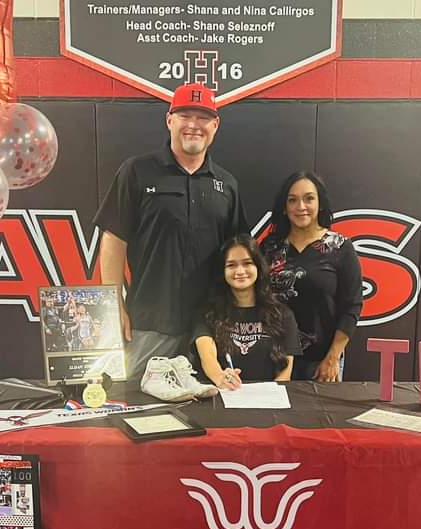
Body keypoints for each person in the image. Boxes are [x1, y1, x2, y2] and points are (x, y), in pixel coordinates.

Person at [94, 82, 249, 380]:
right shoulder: (137, 171)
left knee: (215, 416)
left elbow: (239, 253)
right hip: (150, 322)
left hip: (209, 327)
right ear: (169, 120)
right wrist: (114, 305)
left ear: (215, 125)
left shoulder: (227, 184)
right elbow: (113, 239)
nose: (193, 125)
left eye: (203, 117)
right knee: (141, 408)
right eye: (185, 116)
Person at [260, 171, 363, 382]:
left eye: (309, 198)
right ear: (284, 206)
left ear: (320, 203)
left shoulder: (340, 247)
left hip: (321, 363)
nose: (301, 207)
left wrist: (333, 358)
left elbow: (352, 306)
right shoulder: (269, 247)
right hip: (274, 359)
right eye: (292, 200)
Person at [194, 235, 300, 388]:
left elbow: (284, 374)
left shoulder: (283, 315)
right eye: (231, 265)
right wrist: (221, 378)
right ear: (222, 271)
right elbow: (207, 357)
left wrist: (270, 401)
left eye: (247, 263)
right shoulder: (208, 313)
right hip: (223, 399)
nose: (240, 271)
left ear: (258, 267)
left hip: (268, 403)